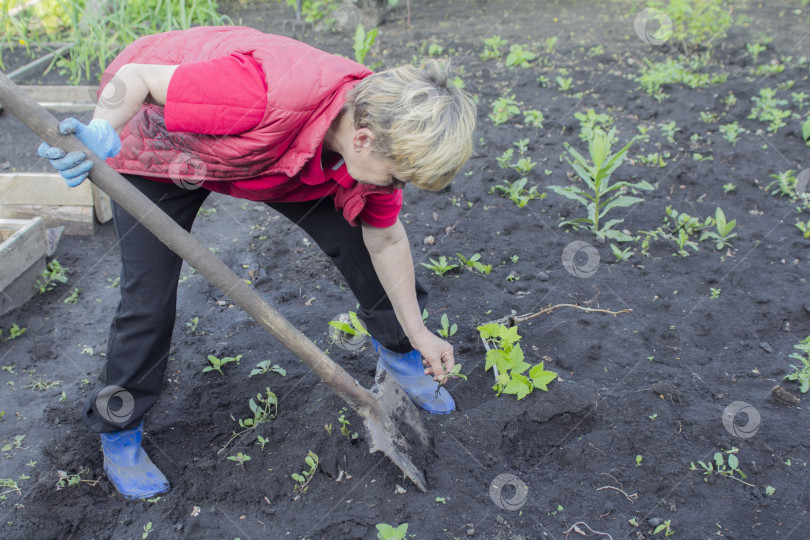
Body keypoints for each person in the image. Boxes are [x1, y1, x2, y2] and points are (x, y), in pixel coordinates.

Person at [36, 26, 476, 500]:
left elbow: (387, 241)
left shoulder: (374, 124)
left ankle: (401, 354)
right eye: (397, 175)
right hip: (160, 149)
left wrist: (418, 331)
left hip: (273, 154)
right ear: (364, 140)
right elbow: (137, 76)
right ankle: (119, 431)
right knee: (147, 300)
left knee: (361, 241)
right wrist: (102, 129)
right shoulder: (259, 94)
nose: (396, 186)